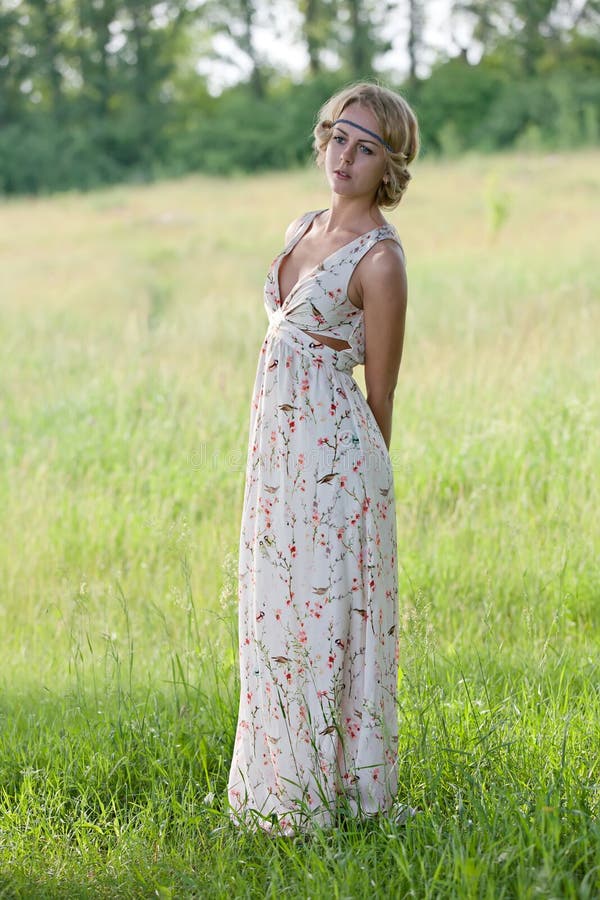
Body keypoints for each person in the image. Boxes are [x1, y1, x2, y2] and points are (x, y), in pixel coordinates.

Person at [227, 81, 420, 835]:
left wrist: (358, 499)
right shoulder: (300, 224)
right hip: (274, 464)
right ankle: (271, 792)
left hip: (334, 469)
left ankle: (322, 801)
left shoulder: (381, 262)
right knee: (273, 617)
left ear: (388, 166)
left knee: (322, 622)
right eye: (340, 136)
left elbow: (382, 395)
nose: (345, 155)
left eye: (366, 147)